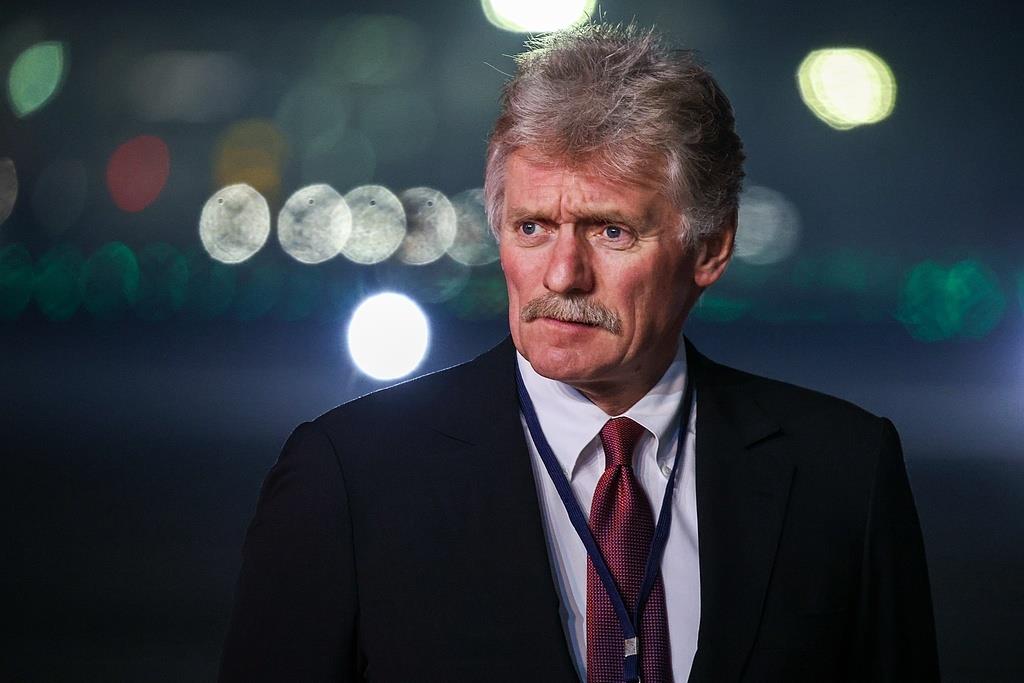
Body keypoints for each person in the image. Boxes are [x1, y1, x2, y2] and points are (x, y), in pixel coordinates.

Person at [219, 22, 939, 682]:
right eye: (532, 227)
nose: (562, 275)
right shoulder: (348, 477)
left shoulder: (845, 473)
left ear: (711, 248)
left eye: (610, 231)